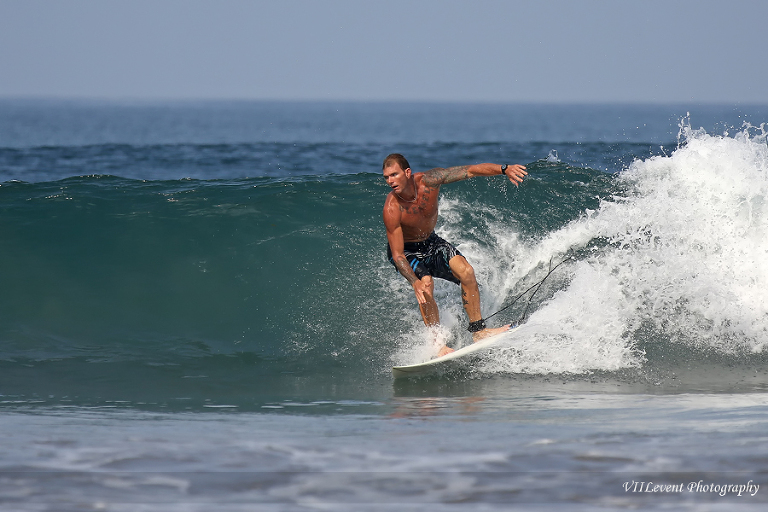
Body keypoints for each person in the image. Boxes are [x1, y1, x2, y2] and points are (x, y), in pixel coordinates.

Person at [382, 153, 527, 357]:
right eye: (386, 177)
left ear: (407, 172)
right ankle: (437, 345)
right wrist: (414, 282)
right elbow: (397, 255)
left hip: (430, 241)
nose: (390, 181)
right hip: (406, 250)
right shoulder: (392, 207)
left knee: (466, 271)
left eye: (394, 175)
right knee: (425, 284)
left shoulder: (430, 181)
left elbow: (470, 170)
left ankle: (479, 331)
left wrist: (504, 169)